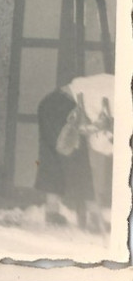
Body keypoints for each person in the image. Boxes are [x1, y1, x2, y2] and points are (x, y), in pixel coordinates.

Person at [35, 84, 103, 231]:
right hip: (67, 106)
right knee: (78, 157)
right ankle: (94, 217)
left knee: (53, 155)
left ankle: (52, 211)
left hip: (49, 102)